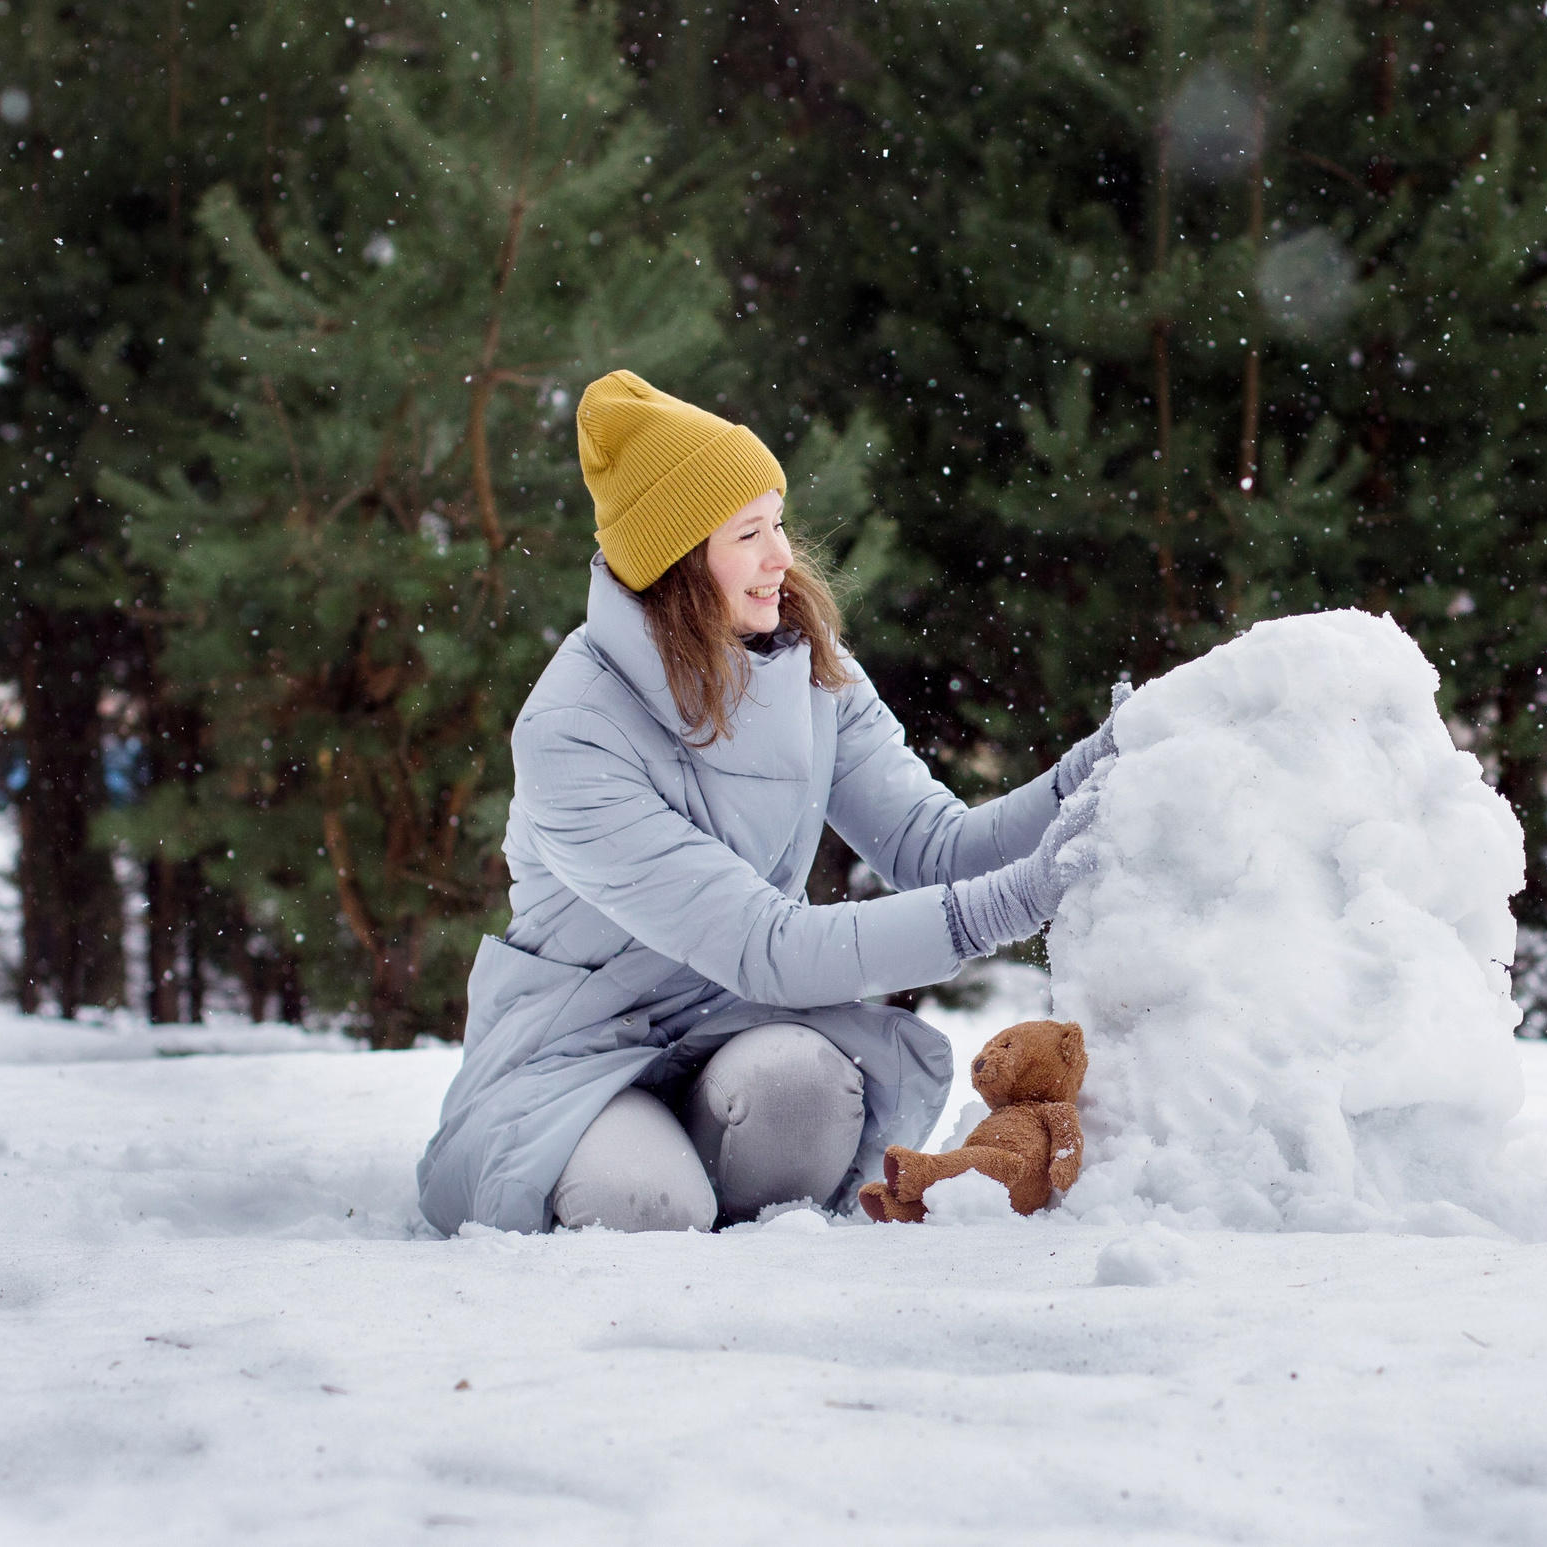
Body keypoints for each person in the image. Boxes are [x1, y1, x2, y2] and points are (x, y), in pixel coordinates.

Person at [417, 371, 1113, 1236]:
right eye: (749, 533)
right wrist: (1012, 903)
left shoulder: (809, 665)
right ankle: (638, 1184)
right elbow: (762, 945)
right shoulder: (570, 733)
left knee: (807, 1098)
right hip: (579, 1044)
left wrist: (1089, 771)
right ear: (677, 566)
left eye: (777, 522)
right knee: (648, 1205)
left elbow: (933, 846)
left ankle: (750, 1261)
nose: (782, 555)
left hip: (734, 1028)